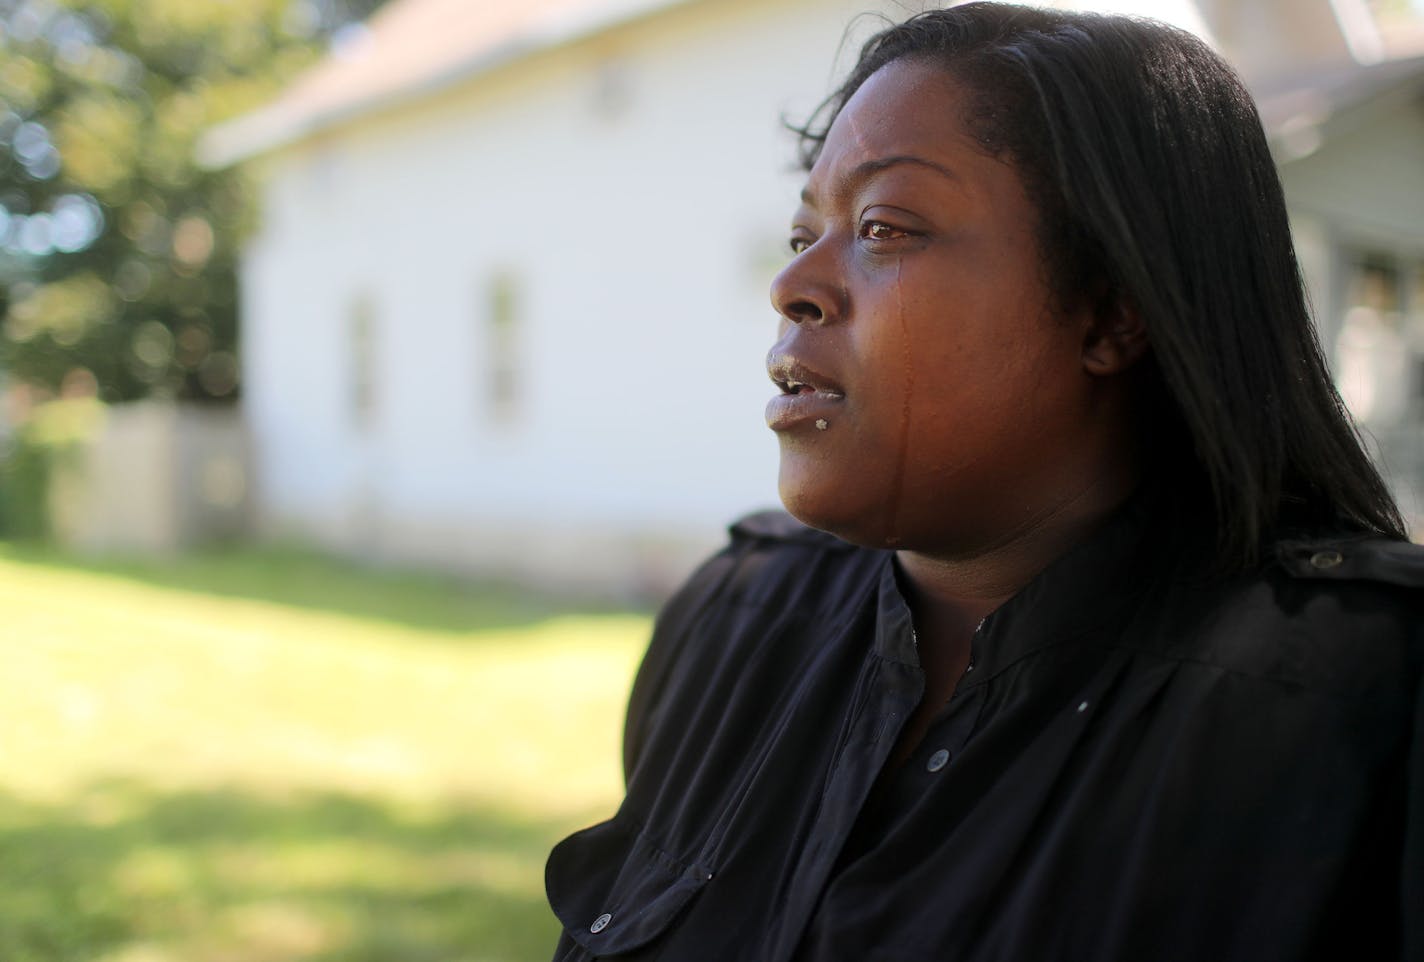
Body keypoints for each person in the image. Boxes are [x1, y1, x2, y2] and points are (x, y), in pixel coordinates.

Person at [545, 4, 1424, 959]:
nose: (794, 282)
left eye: (883, 227)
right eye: (806, 230)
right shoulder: (737, 618)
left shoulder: (1365, 700)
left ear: (1112, 314)